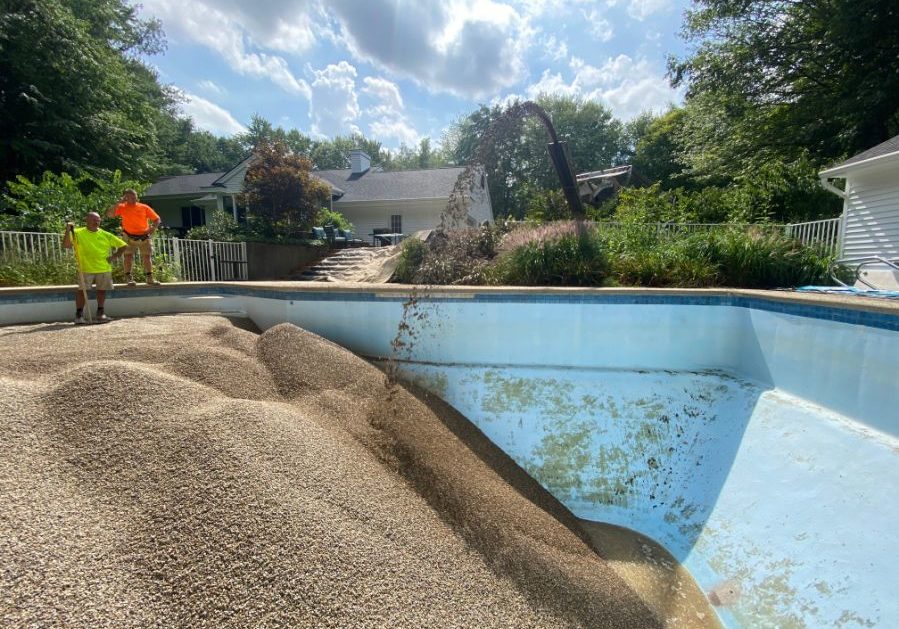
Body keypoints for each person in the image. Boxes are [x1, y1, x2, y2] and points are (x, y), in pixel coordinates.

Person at [63, 213, 128, 325]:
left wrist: (114, 257)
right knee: (82, 291)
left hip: (103, 268)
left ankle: (100, 313)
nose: (96, 222)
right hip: (85, 267)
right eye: (93, 219)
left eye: (98, 220)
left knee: (102, 291)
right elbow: (67, 245)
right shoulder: (77, 232)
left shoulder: (106, 234)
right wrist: (68, 230)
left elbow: (123, 245)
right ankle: (79, 315)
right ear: (86, 220)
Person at [106, 189, 162, 286]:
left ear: (137, 196)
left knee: (147, 256)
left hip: (144, 236)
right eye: (129, 197)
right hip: (128, 236)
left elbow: (157, 219)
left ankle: (150, 278)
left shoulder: (144, 207)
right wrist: (118, 203)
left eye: (134, 196)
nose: (132, 198)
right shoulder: (122, 207)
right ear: (125, 198)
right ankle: (129, 278)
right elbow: (109, 215)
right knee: (128, 256)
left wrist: (154, 227)